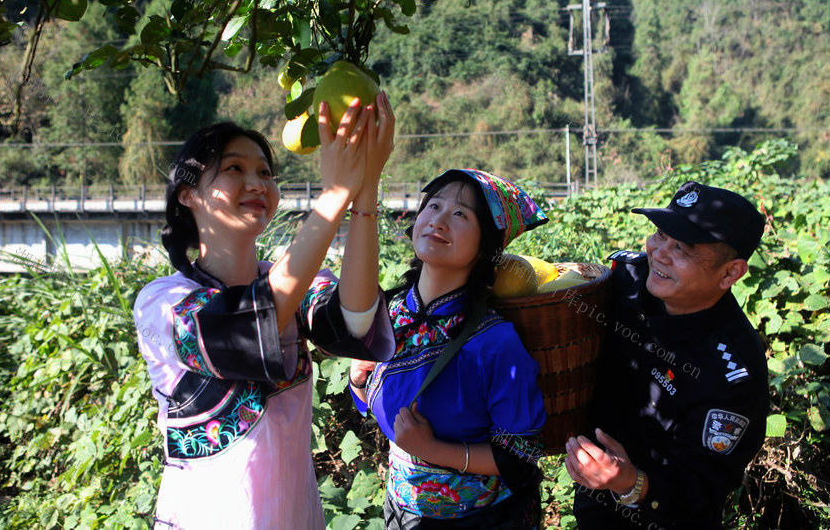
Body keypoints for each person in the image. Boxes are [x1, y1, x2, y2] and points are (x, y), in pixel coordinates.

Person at [133, 93, 396, 529]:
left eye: (266, 173)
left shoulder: (296, 282)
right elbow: (253, 322)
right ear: (187, 194)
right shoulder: (163, 303)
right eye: (235, 169)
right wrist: (333, 196)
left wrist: (363, 189)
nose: (258, 183)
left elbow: (357, 319)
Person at [350, 168, 550, 529]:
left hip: (482, 520)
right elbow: (377, 404)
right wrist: (358, 379)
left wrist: (433, 451)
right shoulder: (387, 315)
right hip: (401, 511)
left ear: (486, 246)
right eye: (434, 205)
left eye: (460, 214)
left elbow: (519, 457)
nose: (438, 220)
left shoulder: (495, 342)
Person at [564, 181, 769, 530]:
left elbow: (700, 493)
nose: (659, 252)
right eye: (660, 233)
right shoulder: (626, 280)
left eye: (684, 249)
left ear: (730, 272)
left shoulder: (732, 375)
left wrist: (631, 483)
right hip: (593, 496)